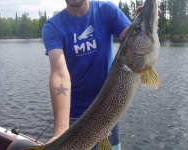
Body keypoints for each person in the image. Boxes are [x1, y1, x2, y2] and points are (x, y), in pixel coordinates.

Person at [42, 0, 160, 149]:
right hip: (72, 117)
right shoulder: (53, 27)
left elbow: (132, 41)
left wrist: (142, 23)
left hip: (108, 116)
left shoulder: (106, 10)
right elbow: (59, 73)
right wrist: (60, 131)